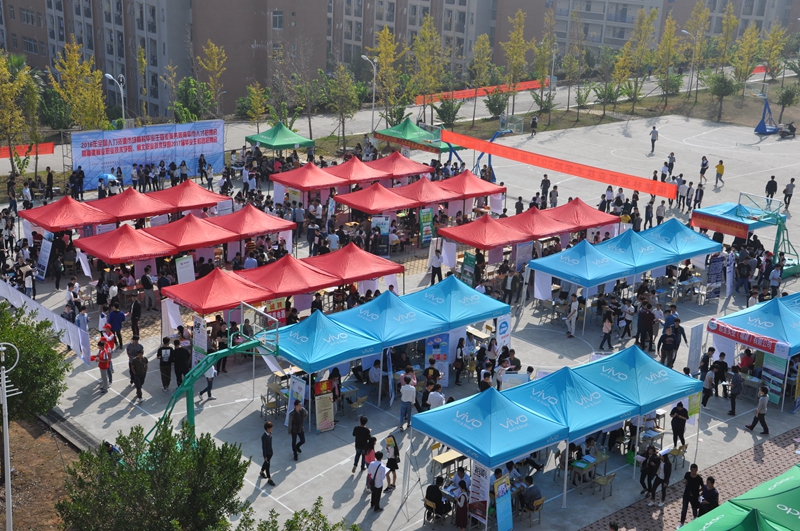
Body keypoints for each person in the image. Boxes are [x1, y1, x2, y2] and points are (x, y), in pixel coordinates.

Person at [260, 421, 276, 486]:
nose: (272, 428)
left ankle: (261, 472)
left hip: (270, 452)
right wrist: (265, 456)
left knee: (266, 463)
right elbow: (263, 447)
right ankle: (269, 479)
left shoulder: (270, 434)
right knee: (267, 466)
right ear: (268, 428)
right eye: (271, 428)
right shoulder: (264, 436)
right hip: (267, 453)